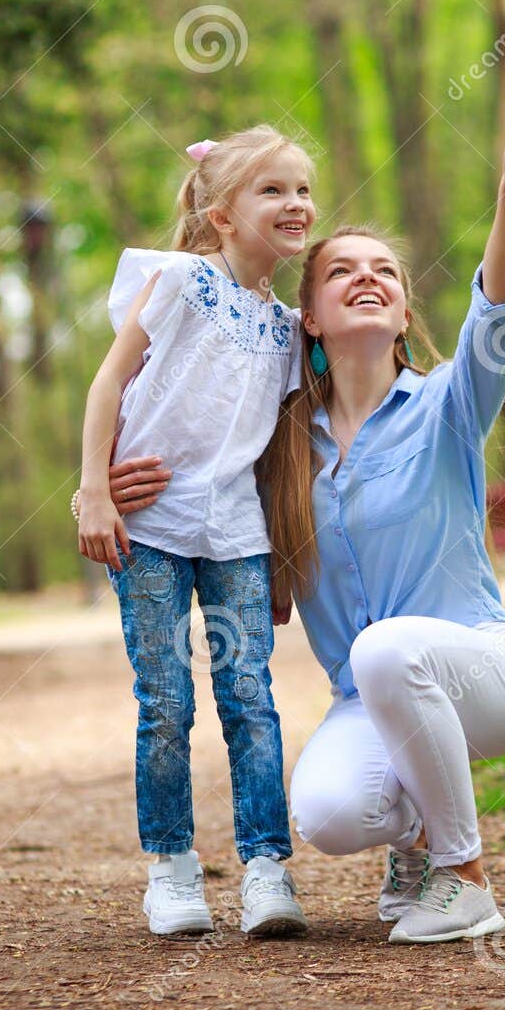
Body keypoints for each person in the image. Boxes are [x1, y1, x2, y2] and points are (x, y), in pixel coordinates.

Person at [257, 81, 505, 943]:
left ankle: (463, 874)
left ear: (400, 314)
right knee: (326, 813)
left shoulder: (449, 405)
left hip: (490, 675)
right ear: (311, 319)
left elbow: (499, 307)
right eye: (341, 272)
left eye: (384, 272)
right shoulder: (282, 448)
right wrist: (104, 482)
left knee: (386, 647)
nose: (367, 279)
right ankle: (416, 833)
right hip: (369, 697)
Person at [76, 126, 315, 938]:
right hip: (150, 524)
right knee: (167, 699)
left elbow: (280, 450)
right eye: (273, 190)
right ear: (221, 214)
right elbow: (109, 381)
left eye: (303, 189)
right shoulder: (180, 281)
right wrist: (93, 490)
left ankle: (265, 867)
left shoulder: (287, 329)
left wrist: (283, 554)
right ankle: (172, 869)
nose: (296, 204)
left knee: (250, 693)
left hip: (239, 531)